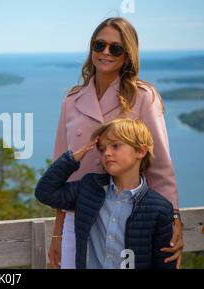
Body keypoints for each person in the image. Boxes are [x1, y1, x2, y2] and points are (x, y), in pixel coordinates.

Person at [49, 17, 183, 269]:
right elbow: (61, 173)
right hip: (78, 219)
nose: (106, 53)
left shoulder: (143, 97)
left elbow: (161, 167)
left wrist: (174, 217)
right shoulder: (71, 101)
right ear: (91, 49)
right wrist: (57, 233)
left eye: (116, 48)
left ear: (128, 55)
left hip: (127, 218)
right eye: (99, 45)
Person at [36, 118, 176, 269]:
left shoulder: (160, 208)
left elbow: (164, 263)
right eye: (102, 149)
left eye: (115, 146)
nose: (107, 153)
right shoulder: (89, 188)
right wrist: (75, 156)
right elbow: (45, 192)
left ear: (141, 151)